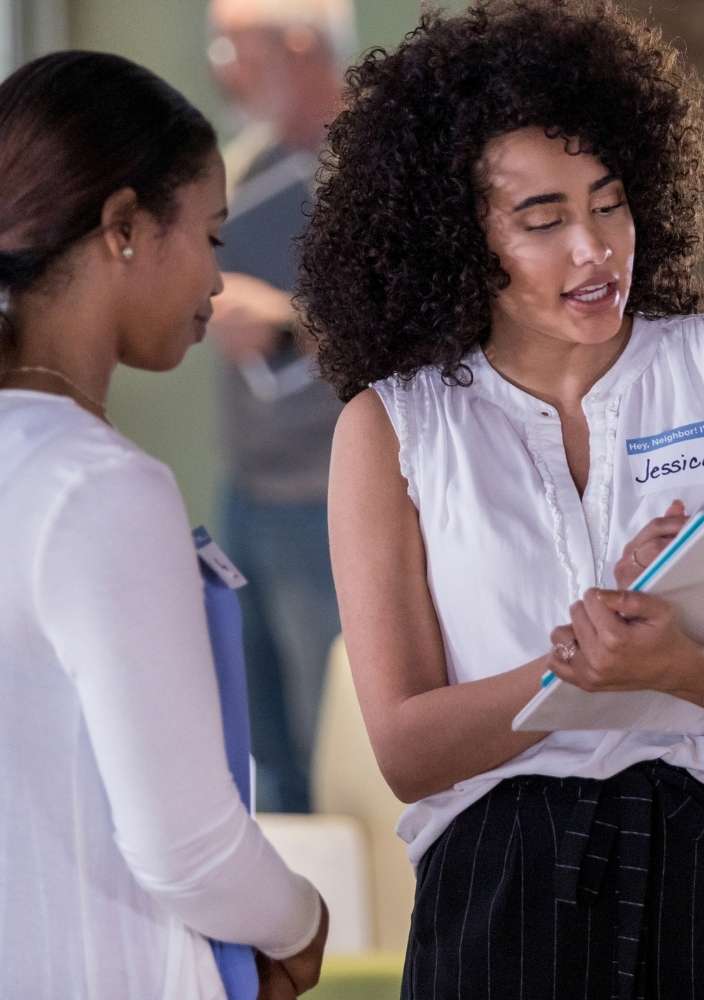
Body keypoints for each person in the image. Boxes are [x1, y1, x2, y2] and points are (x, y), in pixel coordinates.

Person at [300, 2, 704, 998]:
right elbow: (408, 751)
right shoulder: (390, 430)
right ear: (456, 236)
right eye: (542, 220)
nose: (594, 252)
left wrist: (682, 660)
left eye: (609, 202)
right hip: (500, 877)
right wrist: (586, 665)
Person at [0, 51, 327, 999]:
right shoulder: (97, 485)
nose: (218, 285)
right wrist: (303, 924)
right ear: (125, 229)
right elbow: (186, 846)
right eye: (213, 238)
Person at [205, 0, 354, 814]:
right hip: (250, 494)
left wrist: (287, 326)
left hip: (330, 500)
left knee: (332, 742)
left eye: (237, 45)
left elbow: (424, 329)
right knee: (261, 753)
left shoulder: (376, 170)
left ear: (300, 46)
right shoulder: (247, 168)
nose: (223, 66)